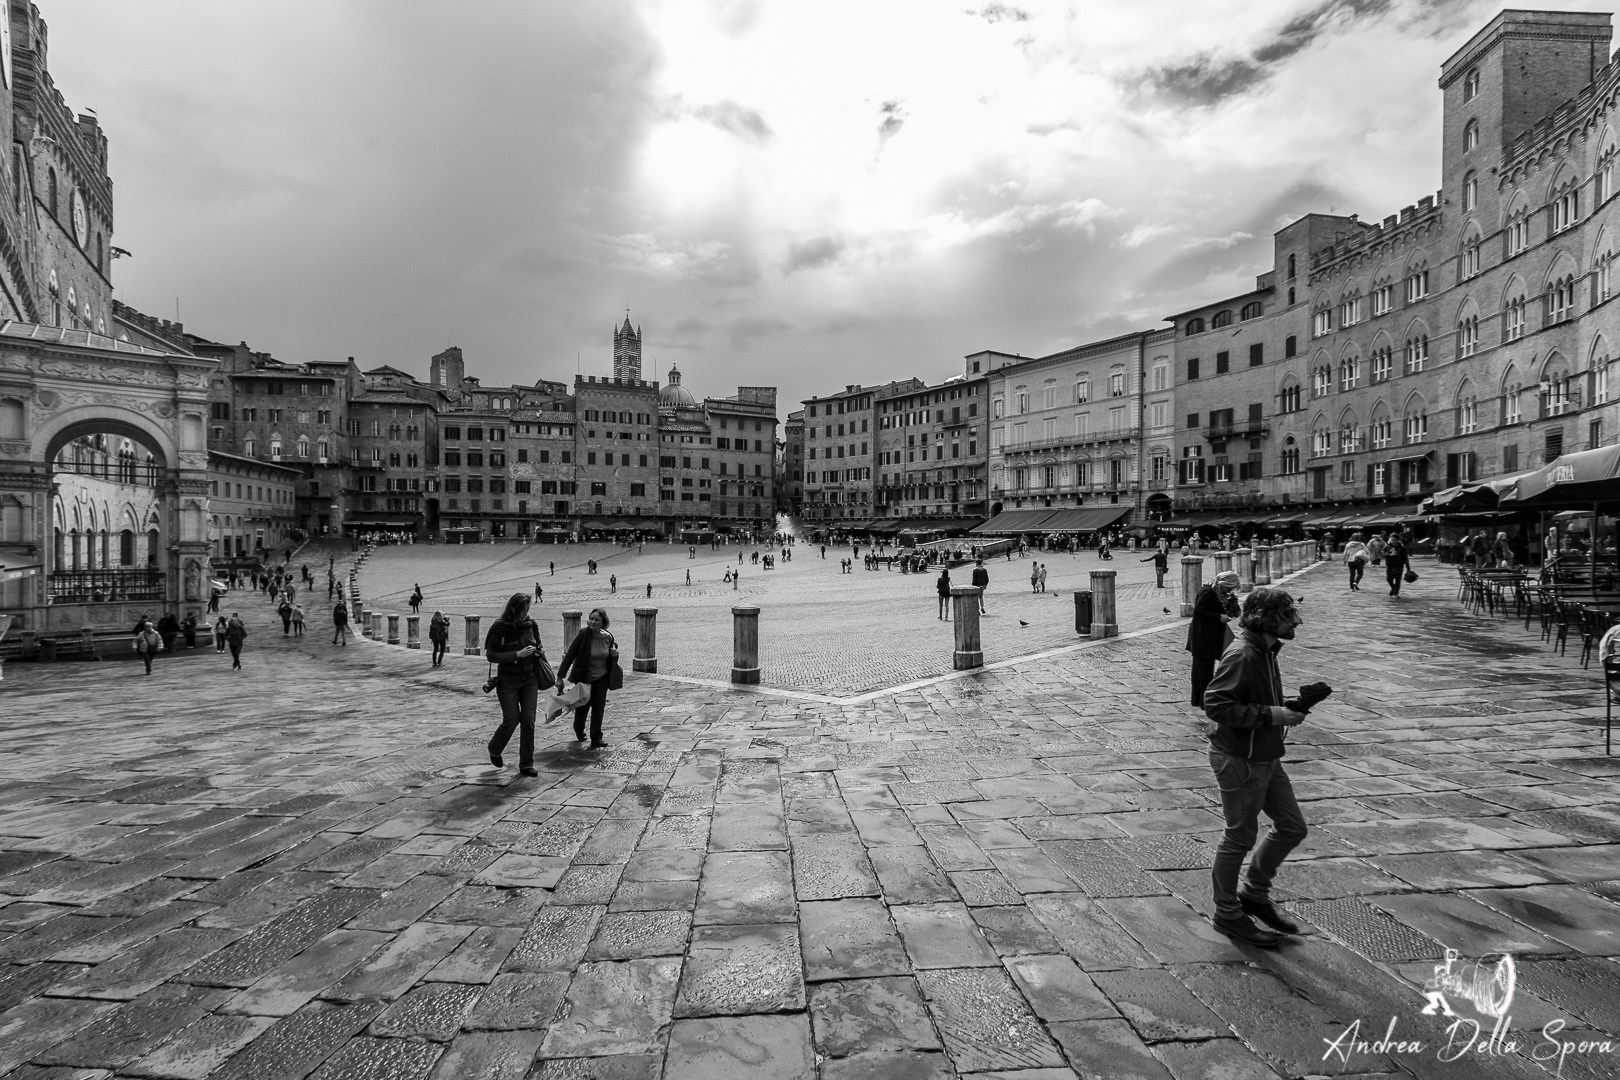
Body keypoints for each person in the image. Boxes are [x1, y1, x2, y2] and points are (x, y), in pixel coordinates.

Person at [1202, 587, 1310, 947]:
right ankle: (1228, 914)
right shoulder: (1245, 654)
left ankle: (1255, 895)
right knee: (1239, 836)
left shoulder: (1265, 650)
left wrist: (1288, 707)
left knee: (1292, 827)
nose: (1293, 621)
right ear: (1266, 617)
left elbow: (1252, 698)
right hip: (1239, 758)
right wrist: (1274, 714)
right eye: (1286, 615)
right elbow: (1215, 704)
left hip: (1265, 754)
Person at [484, 593, 548, 776]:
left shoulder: (531, 625)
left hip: (530, 678)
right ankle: (494, 748)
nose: (525, 614)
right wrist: (516, 655)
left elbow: (539, 646)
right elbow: (491, 655)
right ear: (513, 609)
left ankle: (526, 764)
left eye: (528, 610)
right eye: (523, 611)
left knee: (529, 721)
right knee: (511, 720)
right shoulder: (499, 628)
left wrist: (537, 651)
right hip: (508, 680)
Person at [556, 607, 618, 750]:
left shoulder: (608, 636)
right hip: (585, 676)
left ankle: (596, 737)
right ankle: (579, 728)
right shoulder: (583, 634)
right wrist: (560, 677)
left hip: (602, 677)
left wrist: (614, 655)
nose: (592, 621)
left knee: (599, 707)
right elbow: (570, 655)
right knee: (583, 706)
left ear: (603, 622)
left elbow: (610, 654)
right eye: (591, 618)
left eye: (596, 619)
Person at [1186, 570, 1241, 708]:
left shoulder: (1218, 593)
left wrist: (1231, 602)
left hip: (1208, 635)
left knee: (1201, 669)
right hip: (1203, 635)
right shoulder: (1208, 592)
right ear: (1224, 583)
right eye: (1230, 587)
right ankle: (1205, 701)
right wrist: (1219, 617)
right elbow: (1199, 611)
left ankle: (1199, 700)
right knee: (1204, 671)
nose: (1231, 590)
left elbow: (1233, 611)